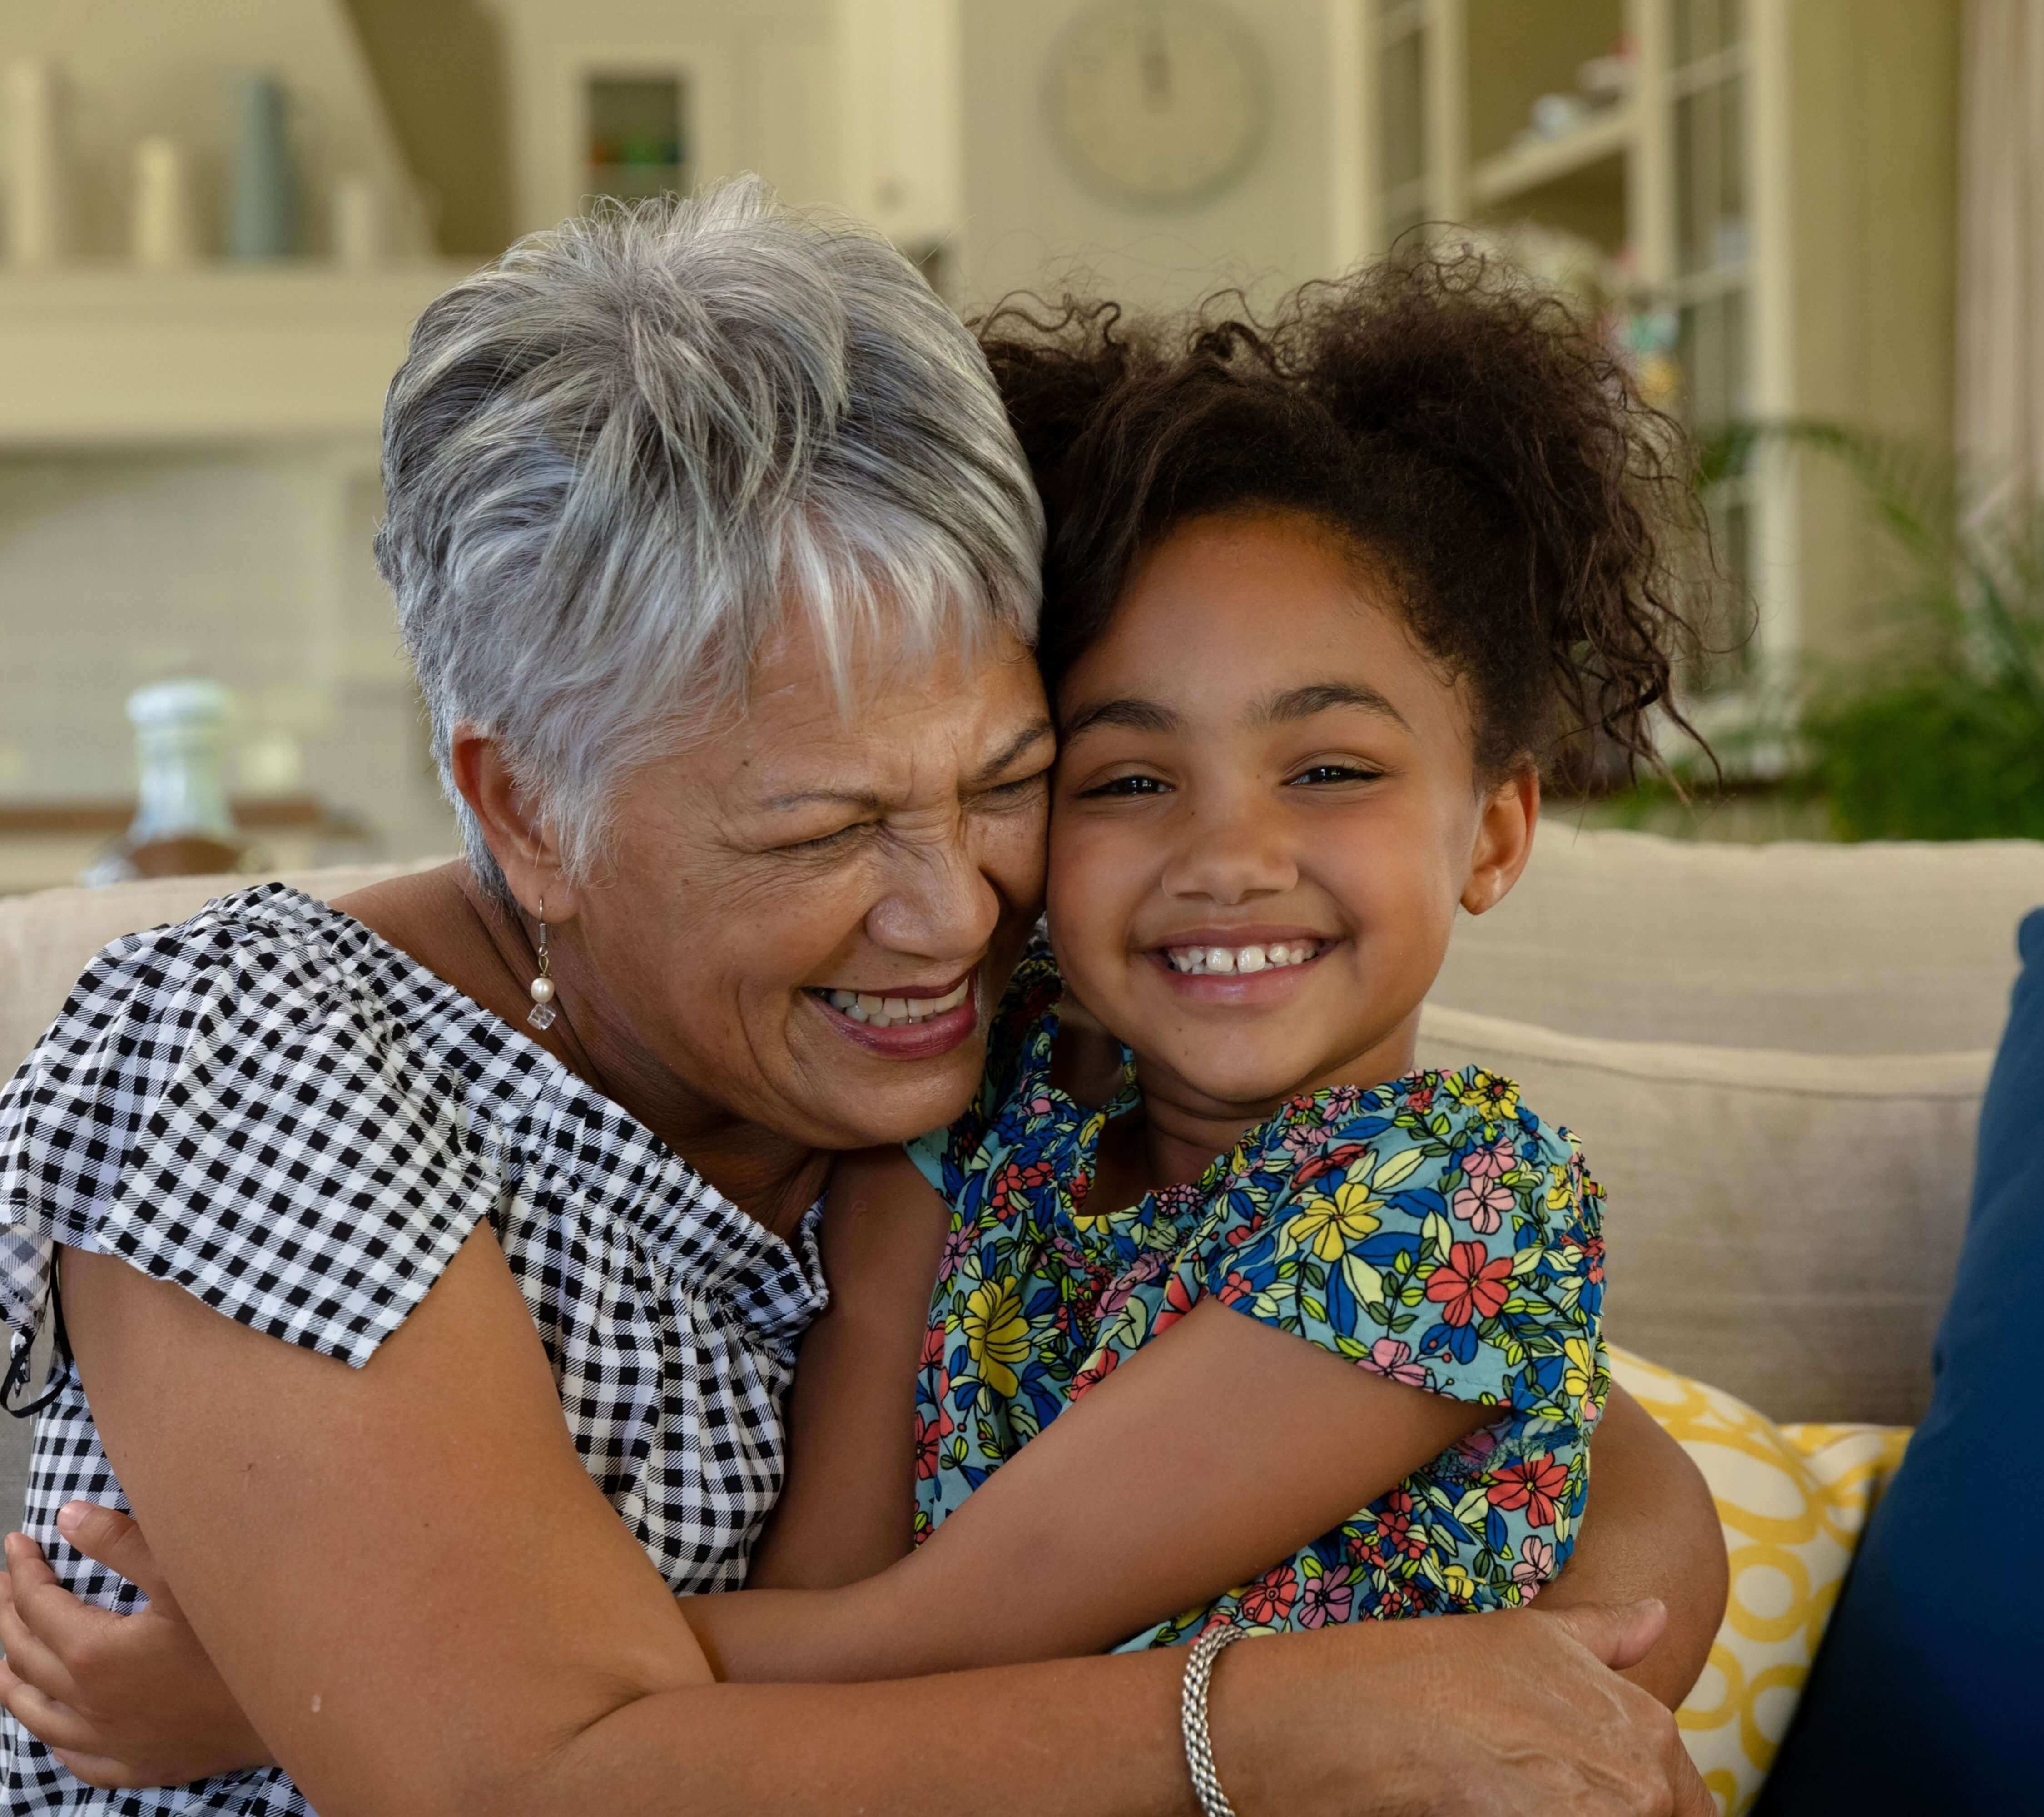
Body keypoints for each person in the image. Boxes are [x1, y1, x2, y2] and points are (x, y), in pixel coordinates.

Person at [0, 181, 1719, 1815]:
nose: (949, 912)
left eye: (1006, 783)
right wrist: (1280, 1726)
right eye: (824, 828)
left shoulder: (975, 1054)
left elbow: (1518, 1384)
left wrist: (1593, 1626)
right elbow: (515, 1777)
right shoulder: (260, 1057)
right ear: (531, 809)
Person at [678, 257, 1713, 1686]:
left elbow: (892, 1648)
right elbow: (827, 1586)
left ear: (1494, 829)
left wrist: (518, 1698)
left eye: (1332, 768)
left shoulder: (1463, 1199)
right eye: (1130, 778)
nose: (1229, 856)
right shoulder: (989, 1089)